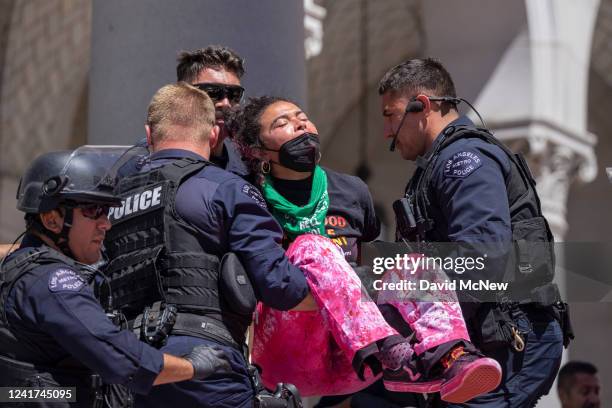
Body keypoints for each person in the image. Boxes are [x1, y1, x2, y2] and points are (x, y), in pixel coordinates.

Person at [232, 95, 502, 403]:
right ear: (257, 150)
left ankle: (450, 356)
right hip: (288, 355)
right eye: (282, 123)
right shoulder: (245, 196)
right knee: (313, 247)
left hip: (357, 361)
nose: (299, 124)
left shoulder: (352, 191)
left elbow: (368, 272)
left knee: (413, 263)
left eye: (302, 117)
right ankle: (392, 351)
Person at [379, 57, 567, 406]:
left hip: (509, 337)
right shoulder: (440, 164)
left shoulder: (462, 159)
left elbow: (483, 256)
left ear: (423, 105)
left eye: (391, 115)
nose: (387, 132)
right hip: (489, 337)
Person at [0, 147, 232, 407]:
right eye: (92, 210)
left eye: (106, 211)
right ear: (51, 219)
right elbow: (119, 358)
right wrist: (193, 366)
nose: (105, 224)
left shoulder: (19, 265)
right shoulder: (53, 282)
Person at [176, 45, 250, 179]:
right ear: (181, 95)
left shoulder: (248, 163)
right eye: (212, 92)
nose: (225, 103)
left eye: (234, 94)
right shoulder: (148, 160)